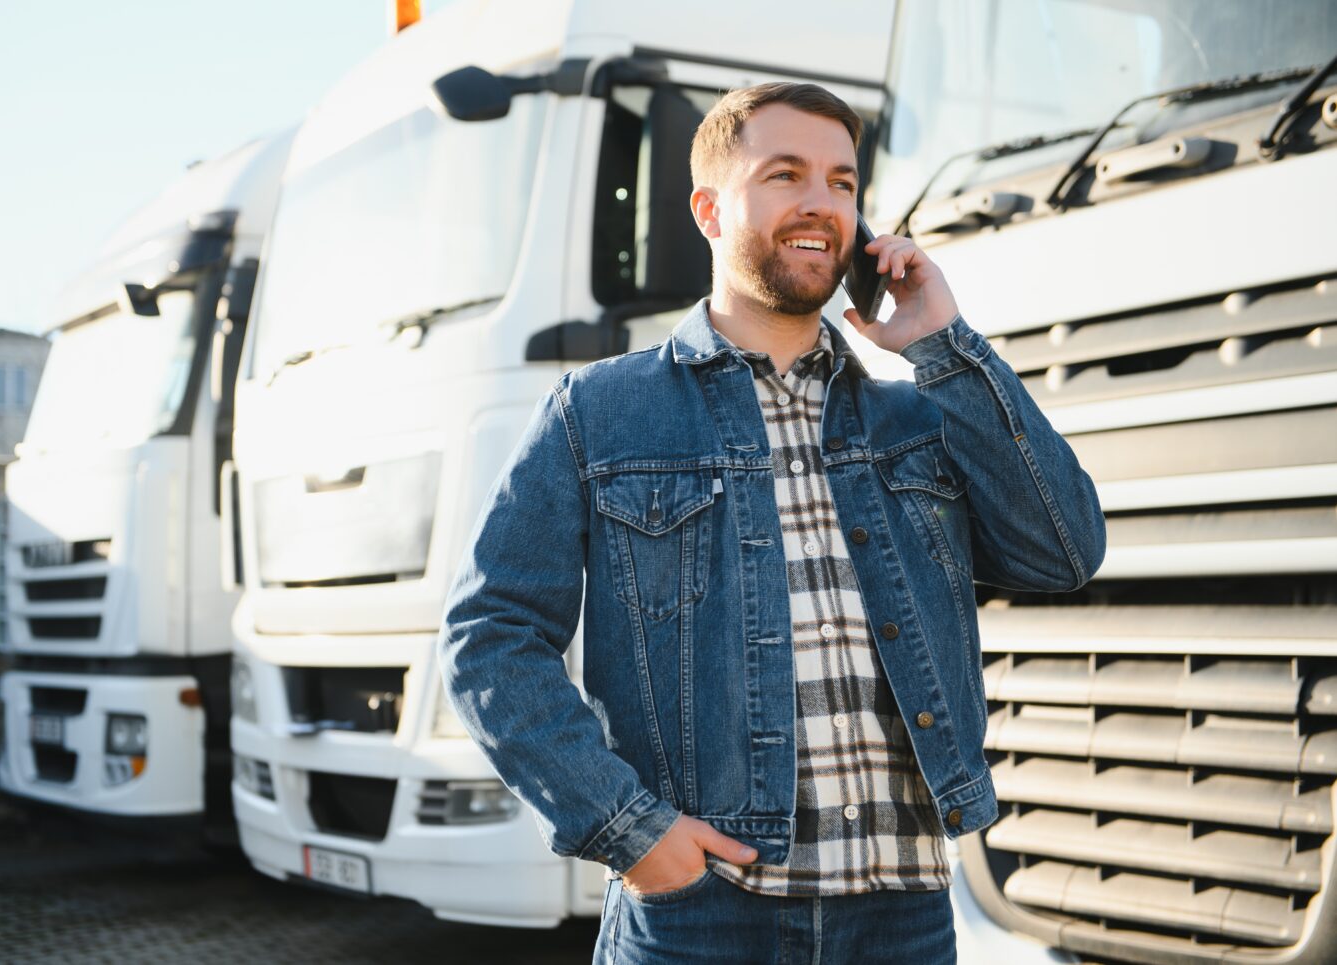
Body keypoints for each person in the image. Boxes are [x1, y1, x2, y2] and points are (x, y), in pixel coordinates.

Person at [439, 82, 1105, 963]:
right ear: (709, 210)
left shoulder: (916, 416)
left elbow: (1063, 551)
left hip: (900, 915)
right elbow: (490, 635)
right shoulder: (598, 412)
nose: (821, 205)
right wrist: (627, 827)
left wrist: (944, 342)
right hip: (701, 916)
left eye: (841, 181)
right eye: (785, 174)